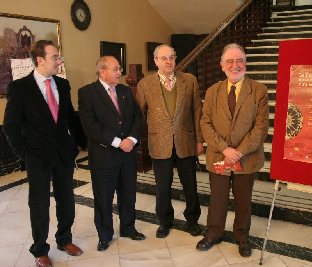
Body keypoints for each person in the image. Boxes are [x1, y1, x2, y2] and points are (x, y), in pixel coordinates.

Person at [3, 40, 83, 267]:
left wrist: (81, 143)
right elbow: (10, 126)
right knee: (39, 204)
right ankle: (40, 249)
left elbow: (70, 118)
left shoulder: (63, 84)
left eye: (59, 57)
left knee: (66, 199)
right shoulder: (20, 88)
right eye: (55, 57)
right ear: (40, 60)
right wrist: (25, 154)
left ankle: (64, 239)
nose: (59, 61)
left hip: (63, 155)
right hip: (37, 157)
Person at [197, 43, 269, 257]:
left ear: (245, 64)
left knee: (243, 200)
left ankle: (242, 236)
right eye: (230, 61)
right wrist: (224, 149)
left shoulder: (259, 91)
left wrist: (239, 151)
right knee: (217, 198)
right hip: (219, 157)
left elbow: (261, 127)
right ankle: (213, 232)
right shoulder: (212, 91)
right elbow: (205, 123)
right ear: (222, 65)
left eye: (239, 61)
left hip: (247, 158)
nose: (235, 65)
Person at [78, 56, 145, 252]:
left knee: (128, 194)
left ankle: (128, 228)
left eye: (120, 69)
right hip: (104, 157)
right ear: (102, 71)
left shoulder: (125, 91)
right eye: (116, 69)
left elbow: (137, 117)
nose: (120, 73)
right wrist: (118, 143)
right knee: (104, 198)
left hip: (127, 156)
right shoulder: (87, 93)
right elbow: (91, 127)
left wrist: (131, 140)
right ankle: (105, 235)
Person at [136, 44, 203, 238]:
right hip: (159, 144)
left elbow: (197, 112)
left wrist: (199, 140)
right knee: (162, 187)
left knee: (190, 186)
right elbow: (140, 115)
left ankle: (192, 221)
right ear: (155, 61)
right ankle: (165, 222)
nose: (169, 62)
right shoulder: (145, 85)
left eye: (172, 57)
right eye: (164, 58)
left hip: (186, 142)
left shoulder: (190, 81)